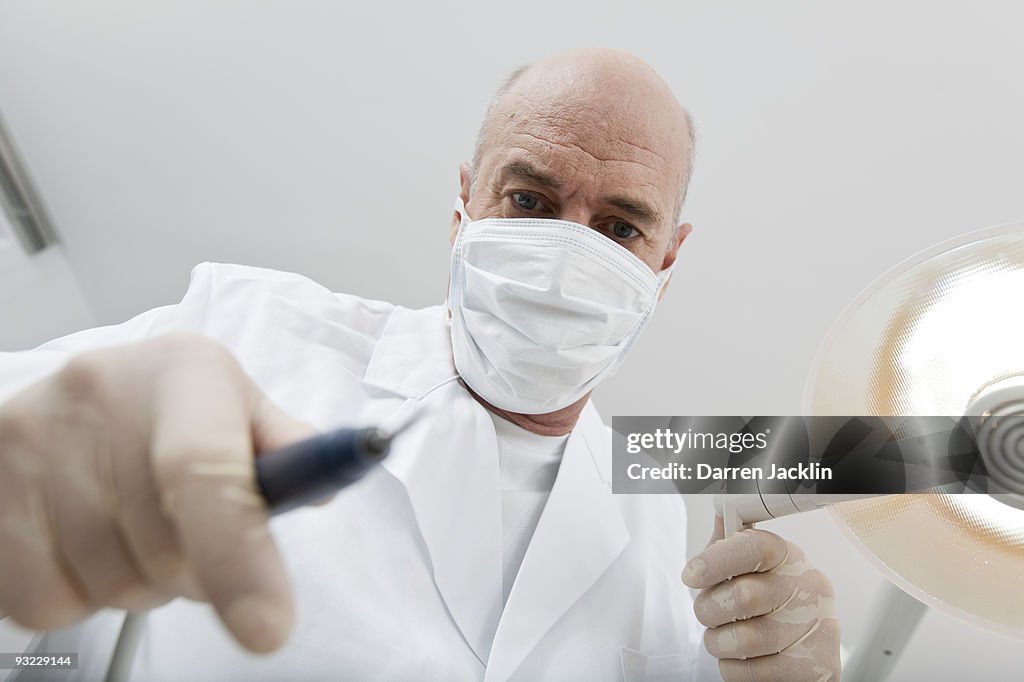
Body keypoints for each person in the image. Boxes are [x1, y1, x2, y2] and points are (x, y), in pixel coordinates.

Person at [0, 49, 840, 681]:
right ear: (462, 209)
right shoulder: (240, 329)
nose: (564, 252)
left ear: (666, 264)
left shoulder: (655, 519)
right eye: (530, 201)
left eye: (620, 227)